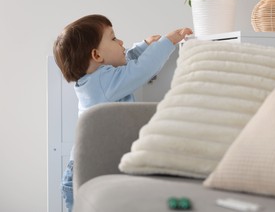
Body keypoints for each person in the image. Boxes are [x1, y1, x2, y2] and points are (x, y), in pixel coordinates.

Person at [53, 14, 192, 211]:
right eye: (113, 38)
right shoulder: (103, 83)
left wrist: (144, 46)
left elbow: (125, 61)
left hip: (86, 169)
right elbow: (140, 70)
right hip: (86, 173)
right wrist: (168, 42)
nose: (121, 42)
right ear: (97, 56)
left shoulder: (98, 78)